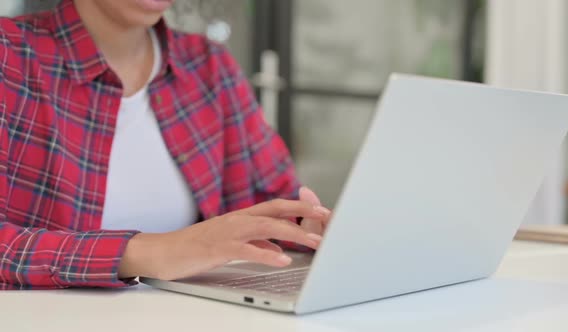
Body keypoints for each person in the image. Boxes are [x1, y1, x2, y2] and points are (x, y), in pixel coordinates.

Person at [0, 0, 331, 290]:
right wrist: (153, 252)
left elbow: (273, 201)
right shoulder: (10, 55)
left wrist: (312, 227)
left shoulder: (208, 65)